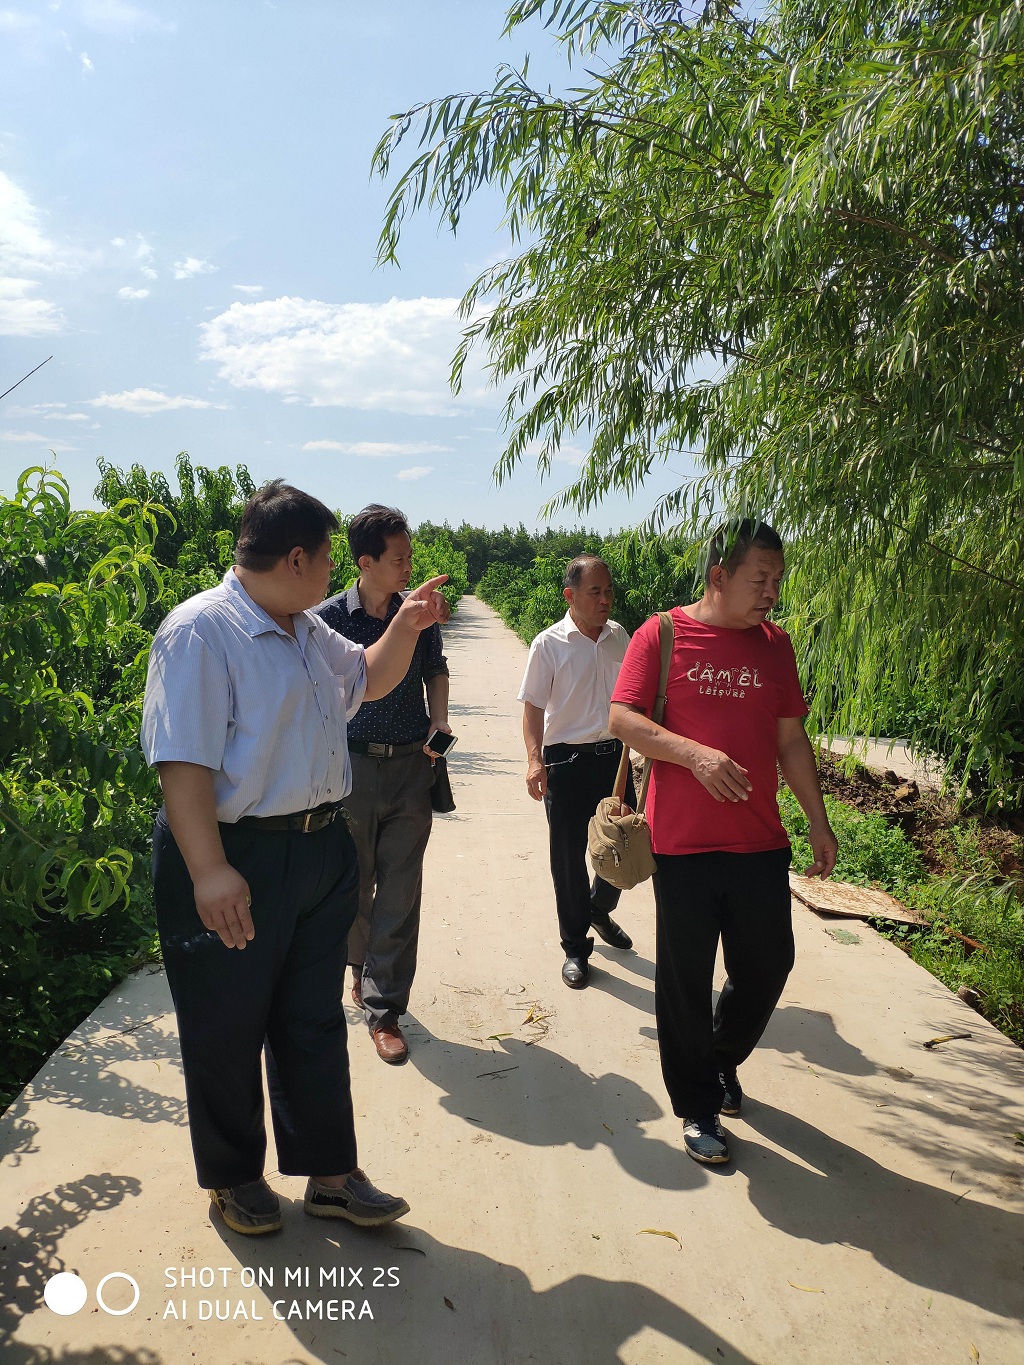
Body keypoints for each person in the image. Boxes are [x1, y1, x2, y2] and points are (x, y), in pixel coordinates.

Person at [141, 480, 449, 1234]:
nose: (334, 573)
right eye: (328, 560)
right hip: (235, 855)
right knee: (226, 1023)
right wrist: (209, 870)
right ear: (298, 558)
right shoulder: (201, 632)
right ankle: (235, 1177)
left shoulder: (307, 630)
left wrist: (406, 625)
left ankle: (331, 1175)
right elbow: (182, 761)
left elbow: (369, 676)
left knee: (310, 1019)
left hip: (317, 847)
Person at [609, 518, 837, 1167]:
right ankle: (697, 1104)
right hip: (682, 846)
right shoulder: (662, 633)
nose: (771, 592)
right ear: (719, 575)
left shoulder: (776, 646)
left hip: (758, 841)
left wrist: (818, 820)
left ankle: (718, 1056)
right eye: (760, 578)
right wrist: (695, 755)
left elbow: (790, 739)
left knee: (768, 963)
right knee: (685, 979)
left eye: (777, 579)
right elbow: (621, 718)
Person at [314, 505, 451, 1065]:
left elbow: (435, 668)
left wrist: (439, 720)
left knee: (400, 885)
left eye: (409, 557)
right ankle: (359, 966)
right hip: (349, 770)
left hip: (410, 765)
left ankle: (384, 1007)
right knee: (355, 881)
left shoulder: (416, 615)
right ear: (365, 562)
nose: (408, 568)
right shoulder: (326, 620)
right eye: (398, 559)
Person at [519, 554, 635, 989]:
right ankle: (575, 947)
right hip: (566, 762)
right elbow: (532, 707)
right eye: (595, 592)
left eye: (609, 591)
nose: (605, 600)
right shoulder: (548, 644)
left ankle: (598, 908)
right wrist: (534, 760)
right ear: (570, 595)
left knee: (624, 843)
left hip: (615, 759)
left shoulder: (619, 637)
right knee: (568, 859)